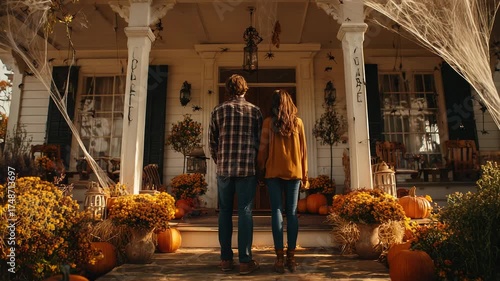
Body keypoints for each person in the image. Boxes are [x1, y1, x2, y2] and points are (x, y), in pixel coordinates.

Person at [209, 74, 263, 275]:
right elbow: (260, 143)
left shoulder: (218, 111)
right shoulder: (255, 111)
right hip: (247, 169)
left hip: (224, 170)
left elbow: (212, 142)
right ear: (245, 89)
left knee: (224, 212)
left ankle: (225, 260)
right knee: (245, 212)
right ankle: (245, 261)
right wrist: (257, 164)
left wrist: (221, 160)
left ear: (227, 90)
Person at [257, 89, 308, 273]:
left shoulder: (268, 123)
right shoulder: (298, 123)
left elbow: (262, 149)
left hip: (273, 172)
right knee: (292, 213)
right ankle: (291, 258)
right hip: (294, 172)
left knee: (276, 212)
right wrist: (305, 175)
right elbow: (303, 151)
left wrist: (260, 168)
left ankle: (279, 258)